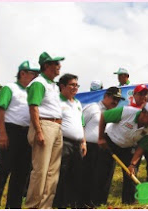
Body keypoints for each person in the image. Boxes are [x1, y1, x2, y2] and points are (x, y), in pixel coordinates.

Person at [97, 100, 148, 204]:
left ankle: (128, 203)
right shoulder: (126, 112)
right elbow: (104, 117)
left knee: (131, 175)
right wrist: (101, 138)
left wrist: (132, 164)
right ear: (144, 112)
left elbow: (142, 147)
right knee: (104, 173)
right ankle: (99, 202)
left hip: (127, 147)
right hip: (109, 143)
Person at [0, 61, 39, 208]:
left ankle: (13, 206)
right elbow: (0, 109)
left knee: (21, 173)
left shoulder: (33, 93)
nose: (37, 77)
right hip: (10, 131)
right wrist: (2, 133)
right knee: (4, 169)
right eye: (34, 74)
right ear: (23, 73)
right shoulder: (10, 88)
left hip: (26, 134)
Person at [25, 52, 65, 208]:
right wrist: (39, 131)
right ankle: (32, 206)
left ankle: (45, 206)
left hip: (56, 127)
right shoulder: (39, 83)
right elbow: (33, 107)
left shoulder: (52, 85)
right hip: (44, 125)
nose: (59, 66)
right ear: (47, 66)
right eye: (56, 64)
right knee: (40, 171)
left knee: (52, 172)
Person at [82, 87, 123, 207]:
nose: (115, 102)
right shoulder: (92, 107)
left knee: (102, 179)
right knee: (87, 176)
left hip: (106, 149)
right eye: (114, 98)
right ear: (106, 96)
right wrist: (82, 142)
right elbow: (80, 124)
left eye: (118, 100)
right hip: (89, 147)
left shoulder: (115, 113)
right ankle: (83, 203)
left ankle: (99, 204)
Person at [53, 74, 87, 208]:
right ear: (62, 86)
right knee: (62, 172)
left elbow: (81, 124)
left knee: (77, 173)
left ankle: (74, 204)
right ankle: (59, 204)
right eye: (72, 85)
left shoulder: (77, 103)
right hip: (62, 141)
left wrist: (83, 142)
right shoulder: (56, 101)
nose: (75, 88)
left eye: (76, 85)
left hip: (77, 143)